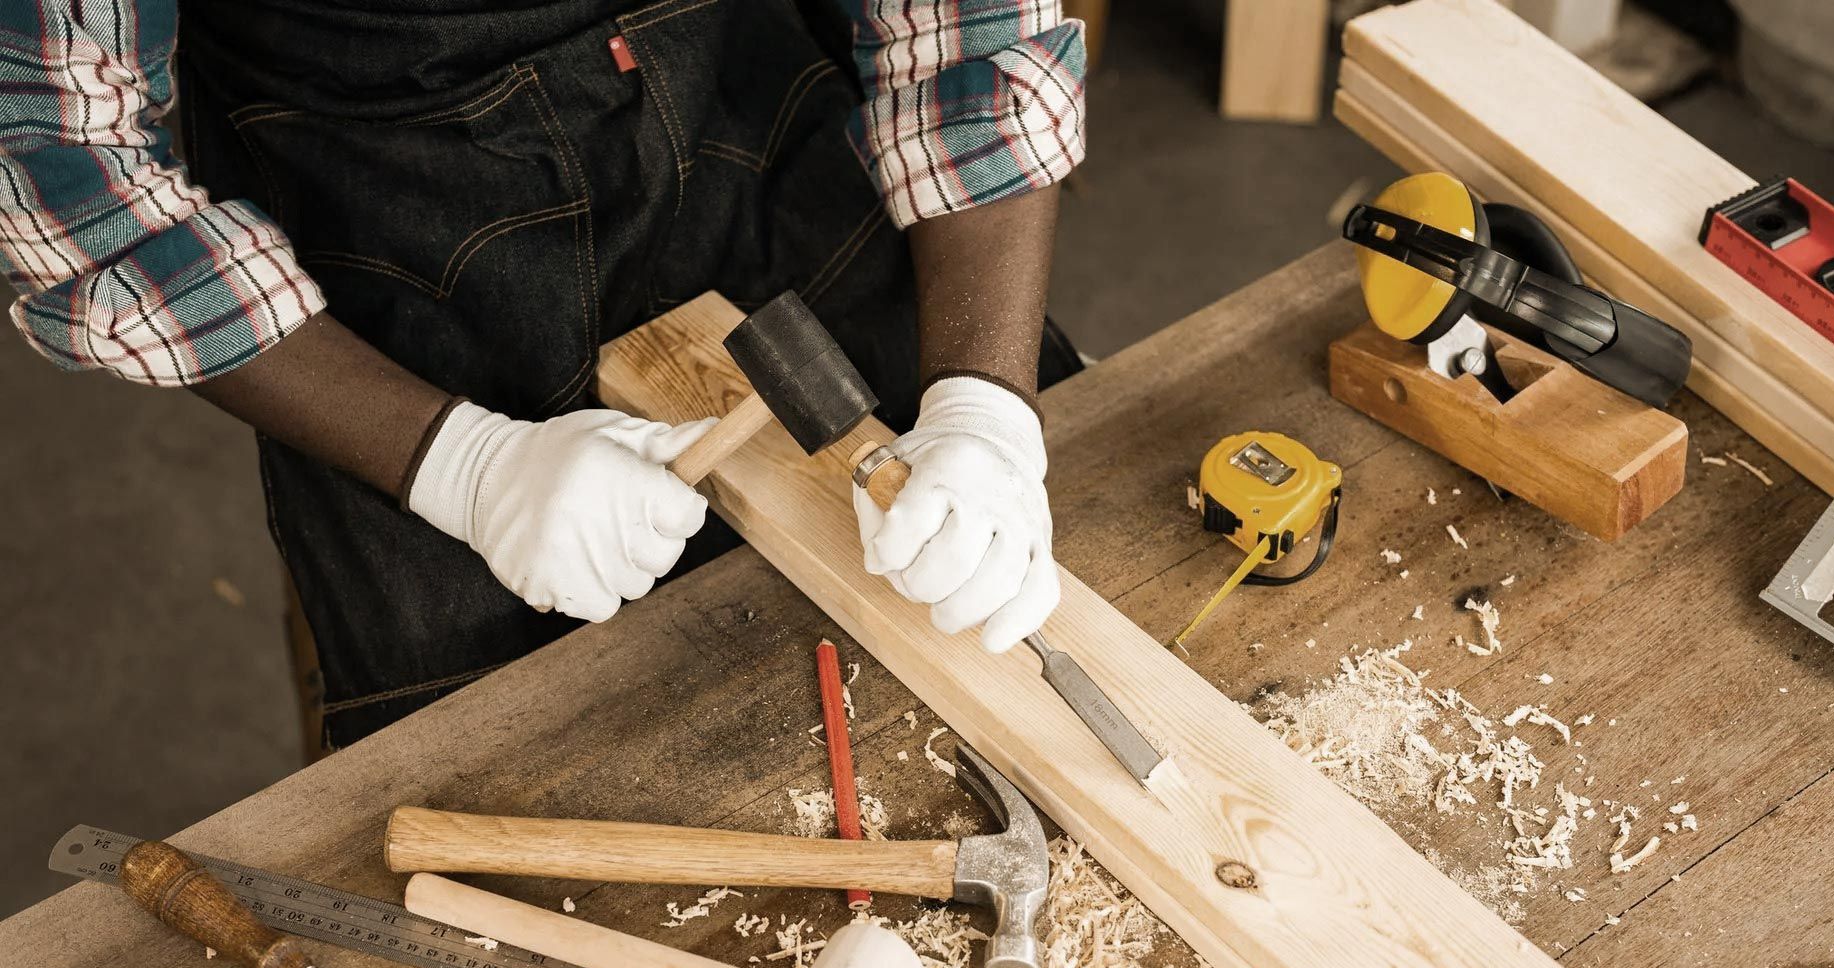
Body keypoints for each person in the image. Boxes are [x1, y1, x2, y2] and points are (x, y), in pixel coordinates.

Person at [3, 0, 1087, 745]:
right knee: (515, 759)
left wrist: (983, 408)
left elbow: (965, 24)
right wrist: (462, 467)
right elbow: (61, 165)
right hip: (384, 205)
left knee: (1038, 577)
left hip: (733, 87)